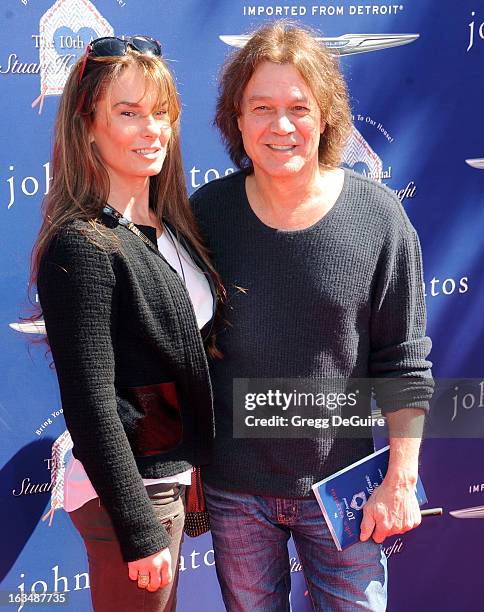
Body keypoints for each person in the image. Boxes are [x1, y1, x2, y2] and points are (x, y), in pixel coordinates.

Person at [190, 21, 433, 611]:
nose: (281, 125)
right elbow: (184, 353)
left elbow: (404, 362)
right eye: (262, 107)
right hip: (235, 493)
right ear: (237, 119)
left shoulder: (380, 219)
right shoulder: (206, 217)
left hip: (345, 490)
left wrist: (401, 478)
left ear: (325, 117)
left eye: (298, 107)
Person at [32, 36, 222, 611]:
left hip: (166, 481)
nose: (152, 130)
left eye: (161, 113)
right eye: (129, 113)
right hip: (130, 494)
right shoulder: (83, 244)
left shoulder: (170, 231)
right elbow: (90, 403)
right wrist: (137, 528)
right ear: (88, 126)